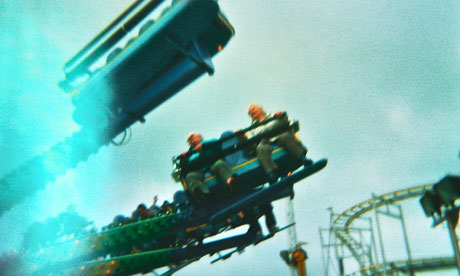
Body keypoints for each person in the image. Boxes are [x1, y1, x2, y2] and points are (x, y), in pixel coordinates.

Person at [247, 103, 312, 184]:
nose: (252, 112)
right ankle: (271, 173)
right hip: (265, 141)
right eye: (250, 112)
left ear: (261, 109)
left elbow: (287, 122)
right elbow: (251, 139)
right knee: (260, 148)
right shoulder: (251, 128)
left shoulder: (273, 115)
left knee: (286, 136)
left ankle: (303, 158)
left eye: (253, 109)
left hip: (280, 135)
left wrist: (281, 117)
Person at [177, 132, 237, 203]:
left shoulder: (208, 143)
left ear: (200, 137)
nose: (191, 140)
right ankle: (204, 195)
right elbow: (185, 168)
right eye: (189, 140)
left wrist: (202, 145)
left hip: (213, 165)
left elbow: (216, 141)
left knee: (219, 163)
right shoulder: (189, 153)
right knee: (190, 176)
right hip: (200, 171)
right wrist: (183, 160)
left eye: (192, 137)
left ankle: (231, 182)